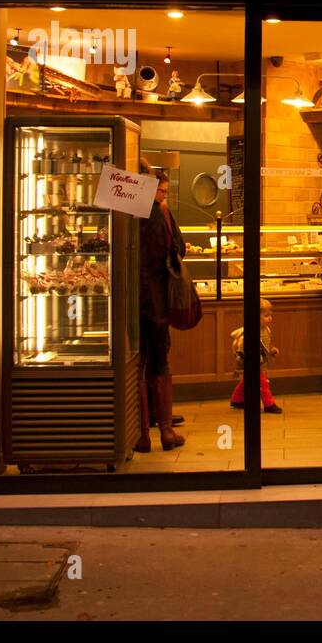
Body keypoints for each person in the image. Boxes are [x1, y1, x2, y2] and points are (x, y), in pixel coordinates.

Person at [136, 169, 186, 451]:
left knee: (137, 368)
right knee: (160, 364)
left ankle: (142, 435)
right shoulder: (162, 214)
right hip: (157, 302)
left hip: (130, 303)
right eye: (162, 191)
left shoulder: (126, 214)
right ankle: (166, 431)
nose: (164, 196)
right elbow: (179, 249)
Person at [229, 298, 283, 414]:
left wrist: (271, 351)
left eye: (270, 315)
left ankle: (236, 399)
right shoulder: (250, 331)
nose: (270, 318)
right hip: (252, 361)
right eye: (266, 315)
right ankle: (269, 404)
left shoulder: (266, 330)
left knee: (247, 381)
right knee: (263, 383)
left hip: (260, 361)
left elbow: (264, 346)